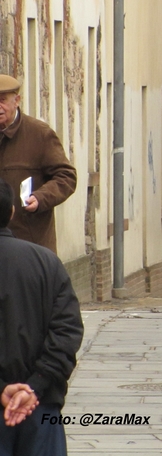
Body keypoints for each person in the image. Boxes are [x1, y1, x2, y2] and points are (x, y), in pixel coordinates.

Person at [0, 178, 84, 456]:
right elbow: (67, 331)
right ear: (12, 212)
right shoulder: (46, 262)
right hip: (41, 405)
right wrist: (34, 386)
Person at [0, 74, 77, 253]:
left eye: (3, 101)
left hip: (30, 243)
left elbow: (66, 176)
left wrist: (41, 198)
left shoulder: (39, 134)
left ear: (17, 101)